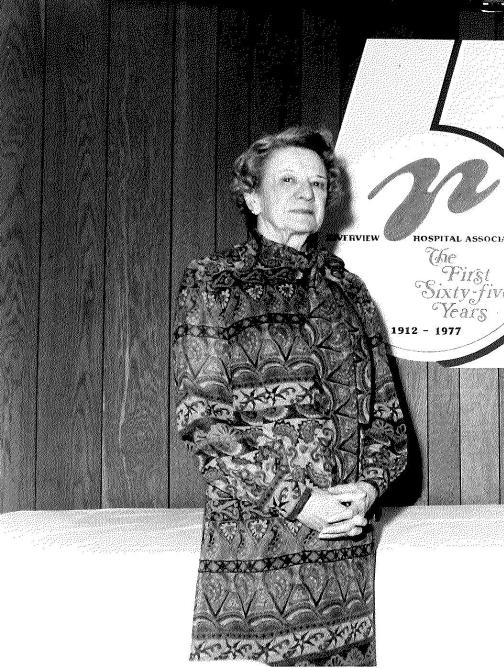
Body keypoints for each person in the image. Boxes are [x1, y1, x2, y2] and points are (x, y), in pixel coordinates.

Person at [173, 125, 407, 666]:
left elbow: (388, 423)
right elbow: (203, 424)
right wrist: (302, 503)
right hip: (256, 550)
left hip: (342, 549)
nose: (307, 193)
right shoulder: (213, 281)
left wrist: (365, 493)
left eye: (319, 184)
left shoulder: (349, 290)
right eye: (288, 180)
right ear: (252, 196)